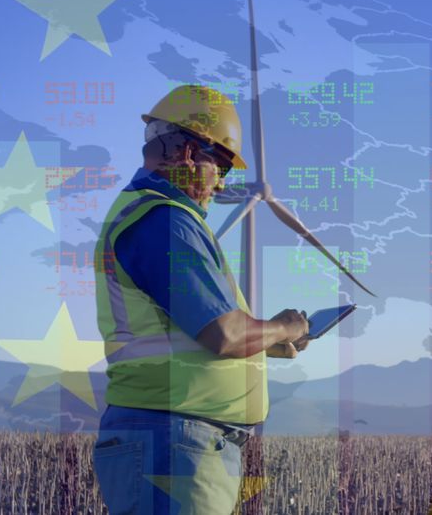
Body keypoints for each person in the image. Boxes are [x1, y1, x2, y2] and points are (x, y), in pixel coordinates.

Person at [92, 84, 310, 514]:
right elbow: (224, 334)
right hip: (172, 442)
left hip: (175, 440)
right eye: (223, 165)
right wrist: (286, 325)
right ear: (191, 154)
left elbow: (188, 334)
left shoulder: (157, 215)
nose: (223, 183)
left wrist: (264, 344)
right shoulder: (163, 219)